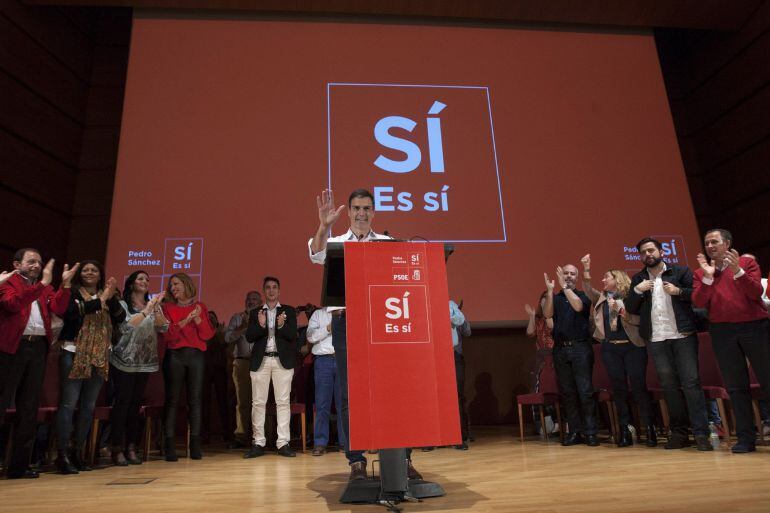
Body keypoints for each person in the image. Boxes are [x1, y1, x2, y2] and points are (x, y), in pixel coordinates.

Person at [308, 188, 421, 481]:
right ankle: (356, 461)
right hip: (346, 323)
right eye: (356, 208)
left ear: (374, 212)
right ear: (348, 212)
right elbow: (316, 253)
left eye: (367, 208)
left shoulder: (387, 244)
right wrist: (323, 225)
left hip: (381, 323)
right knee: (348, 395)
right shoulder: (337, 242)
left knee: (393, 392)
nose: (361, 213)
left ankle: (401, 459)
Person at [624, 237, 711, 450]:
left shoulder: (680, 272)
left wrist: (678, 291)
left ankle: (701, 434)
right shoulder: (638, 279)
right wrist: (637, 291)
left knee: (691, 384)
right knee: (669, 387)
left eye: (651, 250)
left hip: (682, 335)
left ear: (661, 251)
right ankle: (679, 433)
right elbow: (631, 309)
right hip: (657, 338)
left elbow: (698, 297)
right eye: (643, 252)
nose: (647, 255)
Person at [0, 250, 79, 479]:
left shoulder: (43, 286)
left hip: (38, 349)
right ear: (17, 263)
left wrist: (64, 285)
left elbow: (58, 308)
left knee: (29, 407)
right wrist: (42, 283)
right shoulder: (7, 281)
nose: (36, 265)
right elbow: (13, 304)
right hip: (11, 348)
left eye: (39, 262)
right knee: (2, 402)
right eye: (31, 261)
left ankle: (19, 466)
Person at [692, 229, 769, 453]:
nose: (710, 246)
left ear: (727, 243)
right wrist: (707, 276)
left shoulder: (746, 262)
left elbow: (756, 293)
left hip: (754, 327)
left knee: (767, 379)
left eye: (714, 242)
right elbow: (698, 301)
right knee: (736, 387)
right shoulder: (701, 273)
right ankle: (746, 438)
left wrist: (738, 272)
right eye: (707, 243)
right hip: (722, 331)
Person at [55, 260, 125, 474]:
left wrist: (110, 298)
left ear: (100, 274)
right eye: (85, 269)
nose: (89, 272)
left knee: (88, 407)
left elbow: (120, 317)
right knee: (68, 405)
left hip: (98, 356)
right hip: (72, 352)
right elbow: (74, 313)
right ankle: (62, 454)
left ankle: (78, 451)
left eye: (94, 270)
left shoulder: (108, 294)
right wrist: (101, 299)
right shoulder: (72, 292)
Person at [581, 254, 656, 447]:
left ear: (618, 279)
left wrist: (622, 311)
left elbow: (641, 320)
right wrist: (586, 269)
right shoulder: (602, 298)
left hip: (633, 347)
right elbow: (587, 289)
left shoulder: (632, 297)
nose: (603, 280)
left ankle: (649, 428)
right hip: (610, 349)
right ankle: (625, 429)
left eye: (607, 277)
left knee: (639, 388)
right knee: (619, 390)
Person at [109, 271, 167, 466]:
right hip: (124, 361)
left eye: (147, 279)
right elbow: (126, 327)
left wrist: (156, 309)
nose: (144, 282)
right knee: (122, 405)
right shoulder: (124, 305)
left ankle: (131, 446)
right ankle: (116, 448)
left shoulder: (152, 305)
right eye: (140, 279)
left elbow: (163, 327)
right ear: (132, 284)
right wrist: (146, 311)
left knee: (135, 407)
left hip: (144, 363)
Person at [161, 273, 215, 461]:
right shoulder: (167, 307)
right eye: (171, 285)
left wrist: (198, 319)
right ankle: (168, 444)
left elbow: (208, 335)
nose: (173, 287)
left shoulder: (200, 307)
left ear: (186, 284)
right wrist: (185, 321)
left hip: (196, 356)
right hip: (175, 355)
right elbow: (169, 336)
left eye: (176, 284)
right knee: (172, 400)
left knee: (195, 400)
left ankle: (195, 444)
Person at [543, 264, 598, 446]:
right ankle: (574, 432)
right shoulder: (556, 297)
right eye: (565, 273)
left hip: (580, 348)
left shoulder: (584, 295)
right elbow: (547, 314)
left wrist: (565, 288)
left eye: (572, 274)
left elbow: (577, 307)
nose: (568, 276)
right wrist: (550, 292)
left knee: (585, 391)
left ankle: (590, 433)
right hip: (560, 349)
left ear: (577, 277)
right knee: (568, 393)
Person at [243, 276, 298, 458]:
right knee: (258, 403)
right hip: (262, 361)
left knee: (283, 403)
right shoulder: (255, 312)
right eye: (268, 288)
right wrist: (260, 324)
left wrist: (281, 325)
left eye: (275, 287)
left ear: (279, 291)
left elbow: (292, 336)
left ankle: (283, 443)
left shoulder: (288, 311)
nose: (271, 290)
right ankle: (258, 443)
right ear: (264, 291)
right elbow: (250, 337)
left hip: (282, 362)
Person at [224, 290, 262, 448]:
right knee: (242, 402)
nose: (251, 302)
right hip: (242, 363)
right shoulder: (237, 318)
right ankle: (241, 437)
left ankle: (260, 437)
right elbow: (227, 338)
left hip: (261, 363)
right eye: (249, 299)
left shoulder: (264, 317)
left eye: (255, 299)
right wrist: (242, 327)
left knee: (259, 402)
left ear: (260, 302)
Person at [306, 305, 345, 456]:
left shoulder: (347, 312)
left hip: (343, 360)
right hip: (323, 361)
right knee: (322, 403)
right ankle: (320, 443)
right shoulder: (318, 314)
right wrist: (328, 328)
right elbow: (310, 336)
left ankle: (345, 442)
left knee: (344, 403)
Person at [525, 291, 557, 436]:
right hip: (541, 357)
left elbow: (554, 329)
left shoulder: (556, 317)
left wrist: (549, 315)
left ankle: (558, 423)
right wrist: (532, 316)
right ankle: (542, 424)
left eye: (548, 301)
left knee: (555, 388)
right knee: (537, 389)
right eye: (543, 302)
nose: (544, 304)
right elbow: (530, 333)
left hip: (554, 355)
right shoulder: (538, 319)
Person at [202, 310, 231, 444]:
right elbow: (204, 346)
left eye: (213, 317)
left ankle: (227, 433)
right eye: (208, 318)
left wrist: (219, 332)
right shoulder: (203, 332)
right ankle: (204, 434)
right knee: (204, 403)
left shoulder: (221, 331)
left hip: (219, 369)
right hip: (205, 370)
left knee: (223, 402)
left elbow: (224, 344)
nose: (211, 319)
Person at [450, 299, 471, 450]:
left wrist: (458, 316)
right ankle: (431, 440)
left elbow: (467, 331)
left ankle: (460, 435)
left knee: (457, 396)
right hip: (435, 357)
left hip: (454, 356)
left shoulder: (452, 307)